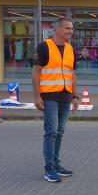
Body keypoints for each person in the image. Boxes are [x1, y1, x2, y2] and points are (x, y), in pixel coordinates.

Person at [33, 18, 81, 183]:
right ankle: (49, 168)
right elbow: (36, 72)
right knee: (51, 133)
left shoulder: (70, 49)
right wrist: (37, 96)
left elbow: (72, 74)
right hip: (49, 97)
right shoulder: (44, 47)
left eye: (71, 29)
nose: (70, 31)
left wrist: (75, 95)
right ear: (57, 29)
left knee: (59, 133)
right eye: (67, 28)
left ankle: (56, 164)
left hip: (65, 97)